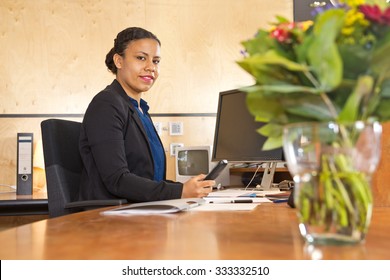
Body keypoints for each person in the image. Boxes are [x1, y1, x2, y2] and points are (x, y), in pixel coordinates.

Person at [78, 27, 215, 202]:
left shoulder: (140, 109)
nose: (151, 67)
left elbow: (151, 180)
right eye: (141, 58)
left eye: (156, 61)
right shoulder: (106, 104)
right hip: (113, 215)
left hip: (141, 209)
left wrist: (189, 188)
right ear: (119, 61)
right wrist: (180, 192)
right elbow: (117, 180)